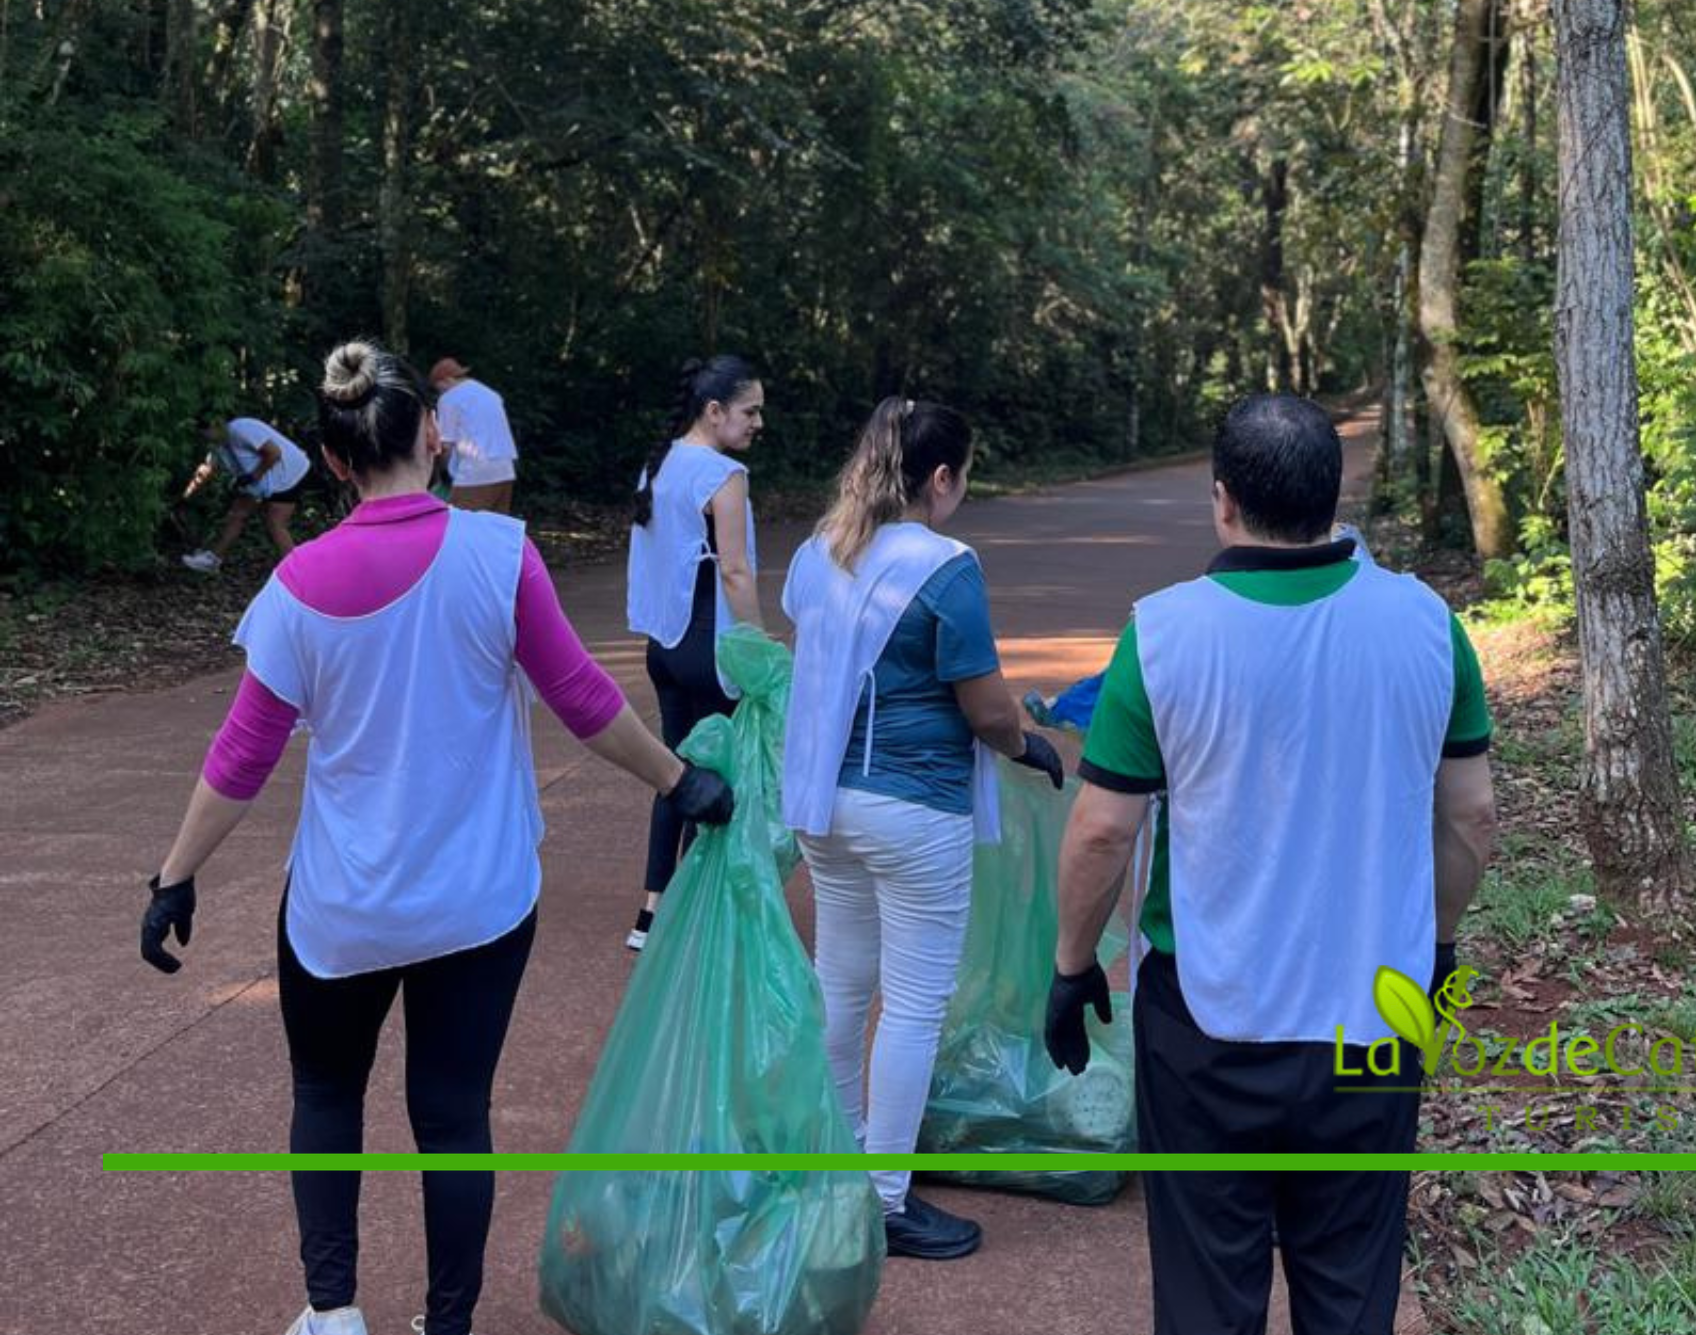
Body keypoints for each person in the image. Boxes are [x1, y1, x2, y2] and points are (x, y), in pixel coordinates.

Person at [140, 341, 735, 1335]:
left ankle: (331, 1314)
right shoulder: (499, 555)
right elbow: (582, 699)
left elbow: (240, 758)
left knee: (327, 1102)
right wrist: (683, 781)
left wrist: (174, 877)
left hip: (343, 910)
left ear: (330, 463)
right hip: (480, 901)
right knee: (454, 1120)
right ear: (432, 437)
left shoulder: (293, 588)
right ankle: (446, 1324)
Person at [1043, 394, 1497, 1335]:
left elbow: (1100, 831)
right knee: (1350, 1284)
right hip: (1373, 1019)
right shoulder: (1428, 625)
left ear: (1222, 501)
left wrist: (1071, 964)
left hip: (1210, 1018)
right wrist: (1441, 944)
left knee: (1209, 1290)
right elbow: (1472, 815)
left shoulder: (1163, 636)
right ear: (1333, 498)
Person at [781, 396, 1065, 1260]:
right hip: (915, 808)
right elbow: (985, 708)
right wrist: (1029, 744)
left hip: (825, 804)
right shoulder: (945, 567)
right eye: (964, 478)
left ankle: (836, 1163)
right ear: (939, 477)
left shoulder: (817, 552)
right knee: (912, 1004)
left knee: (842, 983)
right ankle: (884, 1196)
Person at [622, 355, 765, 951]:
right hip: (710, 647)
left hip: (665, 646)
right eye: (750, 411)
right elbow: (734, 570)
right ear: (714, 412)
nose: (759, 422)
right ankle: (705, 915)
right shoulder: (722, 474)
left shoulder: (657, 467)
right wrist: (759, 650)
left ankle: (652, 914)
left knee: (676, 773)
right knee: (728, 776)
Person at [179, 417, 314, 572]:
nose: (203, 439)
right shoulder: (218, 445)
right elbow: (207, 469)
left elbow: (274, 453)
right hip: (259, 479)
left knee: (275, 522)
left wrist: (253, 476)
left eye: (204, 434)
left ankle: (297, 571)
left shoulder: (241, 429)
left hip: (289, 473)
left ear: (216, 425)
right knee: (237, 514)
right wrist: (186, 495)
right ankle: (212, 560)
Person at [429, 358, 518, 513]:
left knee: (459, 527)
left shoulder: (449, 398)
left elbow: (446, 445)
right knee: (495, 528)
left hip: (476, 472)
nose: (440, 393)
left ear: (446, 380)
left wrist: (442, 476)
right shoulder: (491, 394)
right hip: (506, 469)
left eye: (439, 388)